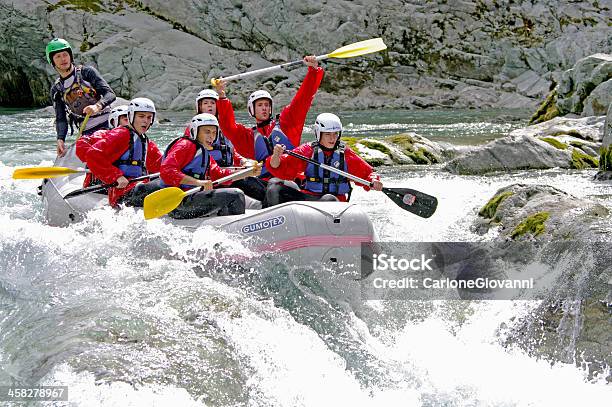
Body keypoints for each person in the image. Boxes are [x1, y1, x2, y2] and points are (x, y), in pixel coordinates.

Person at [214, 55, 324, 182]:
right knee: (245, 183)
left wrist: (313, 71)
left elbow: (303, 99)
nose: (264, 108)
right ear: (251, 110)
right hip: (264, 183)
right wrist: (222, 97)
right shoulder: (249, 137)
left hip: (290, 181)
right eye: (260, 105)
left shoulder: (286, 122)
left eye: (266, 105)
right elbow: (228, 127)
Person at [265, 113, 383, 206]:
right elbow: (278, 167)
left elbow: (368, 173)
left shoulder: (345, 154)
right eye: (327, 134)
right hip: (310, 199)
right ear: (318, 133)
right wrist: (276, 156)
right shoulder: (307, 151)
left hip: (334, 202)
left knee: (329, 199)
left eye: (335, 134)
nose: (332, 138)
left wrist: (374, 181)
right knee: (275, 188)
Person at [160, 113, 260, 219]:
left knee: (233, 192)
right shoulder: (185, 145)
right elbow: (166, 171)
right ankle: (236, 230)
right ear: (195, 131)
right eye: (207, 132)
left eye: (214, 132)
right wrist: (197, 182)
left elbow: (219, 175)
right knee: (235, 195)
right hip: (178, 204)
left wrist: (247, 173)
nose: (211, 136)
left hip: (192, 199)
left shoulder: (204, 152)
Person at [187, 89, 266, 203]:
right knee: (247, 183)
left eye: (213, 103)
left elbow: (229, 151)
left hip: (225, 174)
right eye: (205, 103)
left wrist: (243, 161)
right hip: (210, 178)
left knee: (255, 182)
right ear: (199, 107)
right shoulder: (193, 130)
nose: (210, 106)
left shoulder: (222, 129)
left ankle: (271, 206)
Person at [85, 97, 162, 207]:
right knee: (159, 186)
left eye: (149, 117)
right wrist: (116, 176)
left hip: (139, 187)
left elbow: (160, 165)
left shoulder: (145, 140)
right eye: (141, 116)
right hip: (122, 193)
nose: (146, 120)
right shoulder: (120, 134)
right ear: (131, 115)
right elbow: (92, 155)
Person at [46, 38, 116, 157]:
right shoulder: (57, 89)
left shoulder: (86, 72)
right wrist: (60, 139)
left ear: (70, 56)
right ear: (52, 61)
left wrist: (97, 106)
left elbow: (110, 94)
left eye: (65, 55)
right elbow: (61, 118)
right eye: (58, 56)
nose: (63, 59)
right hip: (87, 132)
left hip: (108, 124)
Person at [76, 105, 129, 187]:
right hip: (99, 182)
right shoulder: (103, 134)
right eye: (126, 119)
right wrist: (101, 161)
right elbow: (82, 147)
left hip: (127, 180)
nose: (130, 122)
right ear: (113, 121)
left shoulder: (138, 139)